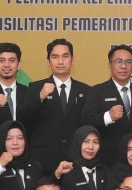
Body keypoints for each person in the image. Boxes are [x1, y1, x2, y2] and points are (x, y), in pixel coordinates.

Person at [26, 38, 91, 173]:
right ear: (48, 61)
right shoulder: (35, 88)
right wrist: (40, 97)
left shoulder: (85, 90)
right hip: (43, 159)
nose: (60, 62)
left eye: (65, 56)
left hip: (75, 159)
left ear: (73, 60)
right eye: (55, 57)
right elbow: (24, 118)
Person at [82, 45, 132, 164]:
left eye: (128, 62)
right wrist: (108, 116)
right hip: (107, 160)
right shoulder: (96, 91)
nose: (123, 66)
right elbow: (85, 122)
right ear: (110, 65)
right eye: (118, 61)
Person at [54, 125, 110, 190]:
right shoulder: (66, 171)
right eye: (86, 141)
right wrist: (57, 175)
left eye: (95, 142)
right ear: (77, 142)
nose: (91, 147)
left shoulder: (105, 172)